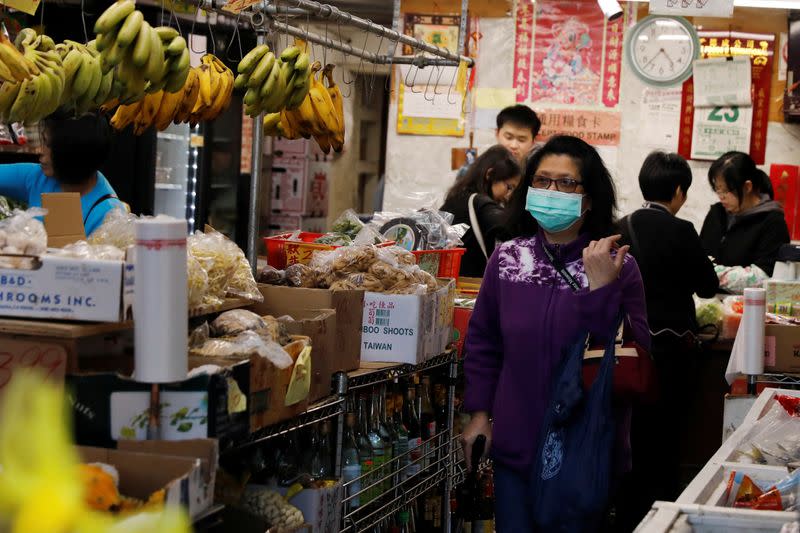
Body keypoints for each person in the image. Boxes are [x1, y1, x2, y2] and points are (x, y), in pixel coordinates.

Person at [460, 135, 650, 531]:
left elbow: (634, 360)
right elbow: (484, 341)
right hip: (515, 443)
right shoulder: (508, 258)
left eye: (566, 183)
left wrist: (600, 290)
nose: (552, 191)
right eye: (542, 181)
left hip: (586, 450)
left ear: (590, 196)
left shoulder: (619, 266)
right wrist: (479, 414)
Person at [614, 152, 719, 531]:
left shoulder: (621, 226)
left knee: (630, 433)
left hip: (626, 352)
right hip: (672, 354)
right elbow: (708, 287)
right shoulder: (682, 230)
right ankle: (663, 516)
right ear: (678, 191)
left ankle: (626, 513)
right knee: (667, 436)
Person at [0, 113, 123, 237]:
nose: (40, 151)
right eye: (43, 141)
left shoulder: (108, 215)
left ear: (70, 154)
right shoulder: (38, 177)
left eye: (49, 145)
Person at [700, 151, 789, 276]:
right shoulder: (716, 213)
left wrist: (708, 272)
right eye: (717, 190)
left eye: (725, 191)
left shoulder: (773, 222)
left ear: (747, 187)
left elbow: (765, 274)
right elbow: (700, 256)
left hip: (748, 296)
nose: (721, 197)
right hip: (708, 295)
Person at [441, 145, 521, 277]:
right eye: (509, 187)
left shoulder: (456, 197)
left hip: (450, 279)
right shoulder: (481, 204)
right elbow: (511, 229)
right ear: (489, 174)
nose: (509, 194)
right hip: (471, 285)